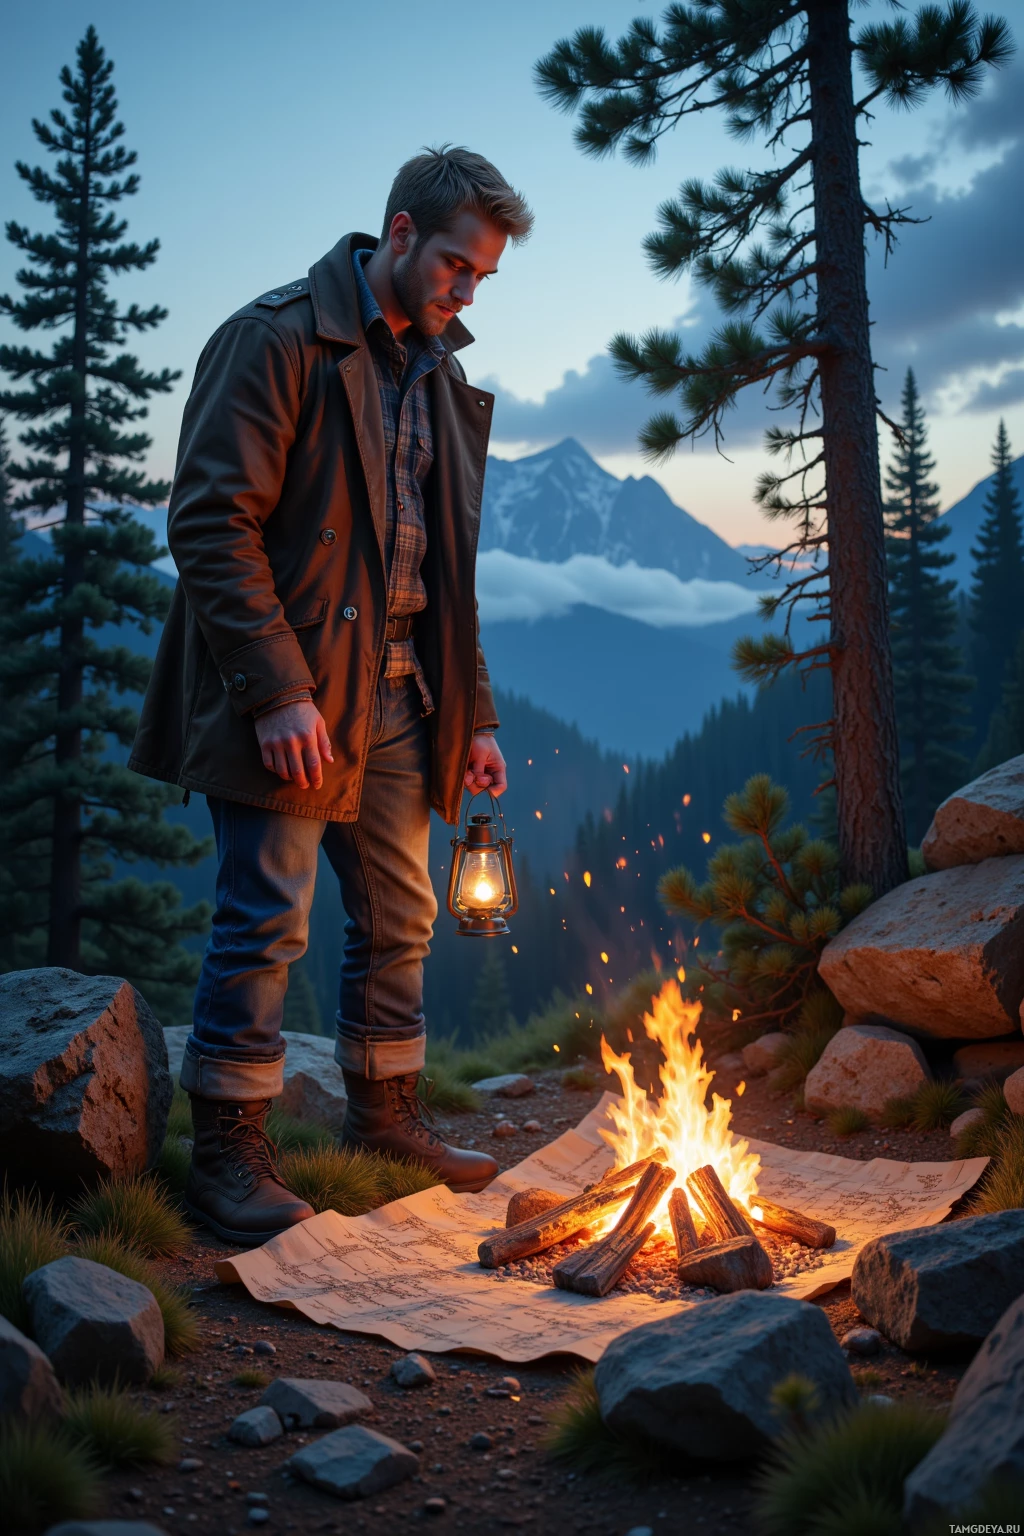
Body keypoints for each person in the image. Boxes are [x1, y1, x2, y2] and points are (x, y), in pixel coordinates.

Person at [130, 146, 533, 1244]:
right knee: (266, 922)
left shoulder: (440, 377)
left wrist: (476, 713)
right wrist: (274, 691)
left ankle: (385, 1119)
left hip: (402, 695)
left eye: (483, 278)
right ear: (400, 233)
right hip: (296, 699)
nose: (465, 290)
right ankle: (228, 1156)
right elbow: (211, 525)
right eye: (455, 264)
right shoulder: (274, 339)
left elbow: (445, 571)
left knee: (400, 919)